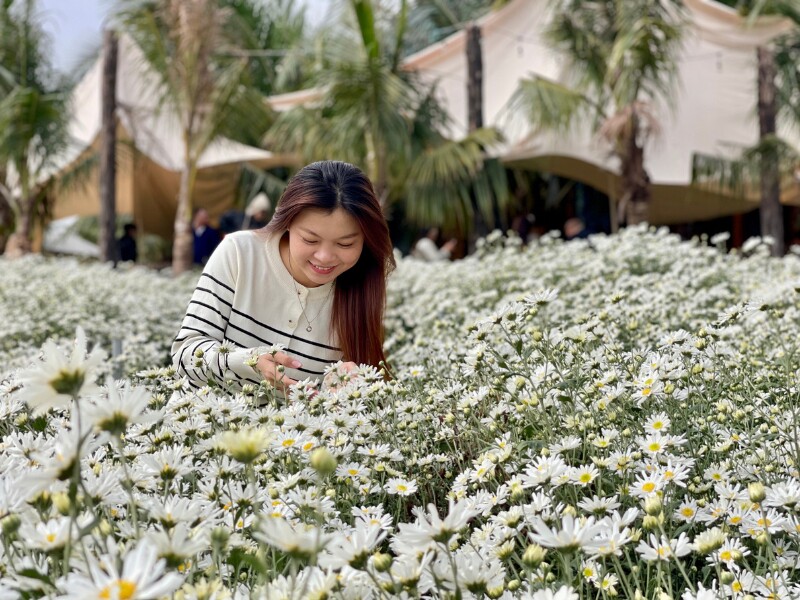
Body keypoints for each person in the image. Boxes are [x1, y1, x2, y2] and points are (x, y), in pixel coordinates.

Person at [171, 161, 395, 392]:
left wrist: (343, 391)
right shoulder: (240, 253)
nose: (325, 257)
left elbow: (352, 398)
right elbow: (184, 356)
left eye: (345, 243)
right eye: (310, 240)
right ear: (287, 223)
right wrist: (248, 362)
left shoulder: (361, 286)